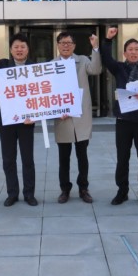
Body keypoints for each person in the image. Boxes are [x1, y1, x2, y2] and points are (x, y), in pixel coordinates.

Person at [101, 26, 138, 206]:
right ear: (124, 53)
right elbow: (105, 58)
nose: (133, 52)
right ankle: (122, 191)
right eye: (130, 49)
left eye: (136, 49)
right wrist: (108, 40)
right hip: (123, 122)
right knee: (122, 158)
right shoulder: (119, 69)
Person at [0, 33, 38, 207]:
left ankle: (29, 194)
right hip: (6, 119)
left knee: (27, 159)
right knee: (8, 159)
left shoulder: (35, 67)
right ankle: (12, 193)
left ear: (28, 49)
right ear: (11, 50)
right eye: (16, 47)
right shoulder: (3, 64)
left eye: (23, 47)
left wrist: (36, 115)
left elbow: (41, 94)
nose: (19, 50)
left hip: (26, 120)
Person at [53, 31, 102, 204]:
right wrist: (55, 110)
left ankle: (83, 188)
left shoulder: (82, 60)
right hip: (62, 118)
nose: (65, 45)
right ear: (58, 45)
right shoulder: (51, 65)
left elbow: (96, 69)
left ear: (74, 46)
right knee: (63, 158)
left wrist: (95, 48)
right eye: (62, 42)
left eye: (69, 43)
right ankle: (65, 189)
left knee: (82, 156)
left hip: (81, 117)